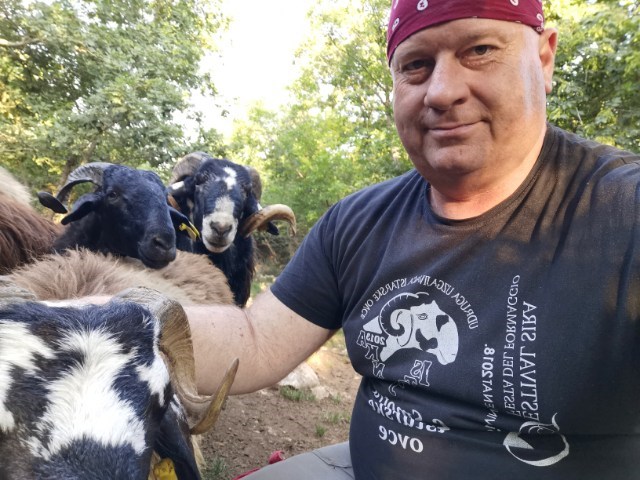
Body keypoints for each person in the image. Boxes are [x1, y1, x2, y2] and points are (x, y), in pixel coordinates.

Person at [187, 1, 640, 478]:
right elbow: (256, 339)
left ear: (544, 59)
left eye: (479, 50)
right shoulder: (358, 222)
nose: (442, 92)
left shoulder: (620, 211)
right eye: (416, 65)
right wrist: (136, 319)